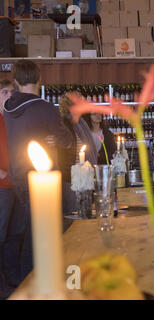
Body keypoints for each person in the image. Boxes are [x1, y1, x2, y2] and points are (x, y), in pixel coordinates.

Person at [2, 60, 73, 287]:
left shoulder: (8, 108)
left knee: (25, 232)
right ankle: (33, 280)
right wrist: (51, 139)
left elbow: (26, 136)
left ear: (15, 81)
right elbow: (67, 141)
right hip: (43, 178)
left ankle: (26, 280)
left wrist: (43, 138)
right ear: (39, 79)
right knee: (41, 234)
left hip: (18, 176)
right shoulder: (45, 108)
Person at [57, 92, 98, 215]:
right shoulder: (64, 123)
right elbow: (62, 151)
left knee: (85, 211)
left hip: (84, 176)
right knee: (73, 213)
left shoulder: (81, 122)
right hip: (71, 178)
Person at [0, 79, 16, 299]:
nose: (9, 96)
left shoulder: (13, 120)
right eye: (4, 92)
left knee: (15, 233)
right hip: (2, 187)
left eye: (12, 92)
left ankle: (13, 278)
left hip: (17, 185)